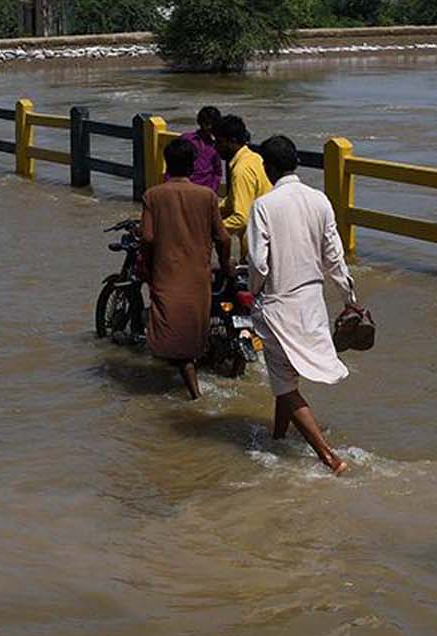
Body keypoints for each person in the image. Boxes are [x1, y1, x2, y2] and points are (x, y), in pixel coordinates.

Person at [247, 135, 359, 474]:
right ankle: (279, 437)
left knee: (283, 381)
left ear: (267, 168)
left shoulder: (264, 206)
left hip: (280, 305)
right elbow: (334, 258)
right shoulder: (319, 200)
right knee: (287, 379)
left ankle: (329, 457)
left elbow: (258, 263)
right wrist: (350, 300)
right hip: (313, 304)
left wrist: (254, 294)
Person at [142, 137, 230, 399]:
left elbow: (147, 238)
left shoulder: (153, 195)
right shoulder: (207, 196)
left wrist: (148, 267)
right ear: (192, 166)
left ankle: (194, 393)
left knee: (174, 334)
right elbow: (223, 238)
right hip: (199, 276)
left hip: (166, 274)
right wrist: (225, 265)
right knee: (193, 330)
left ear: (167, 165)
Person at [215, 114, 268, 259]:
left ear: (232, 141)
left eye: (219, 142)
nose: (216, 148)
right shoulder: (254, 158)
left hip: (255, 244)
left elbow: (241, 217)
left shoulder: (241, 170)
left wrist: (213, 230)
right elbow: (234, 200)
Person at [176, 106, 224, 193]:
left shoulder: (216, 145)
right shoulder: (186, 139)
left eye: (212, 124)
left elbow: (218, 172)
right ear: (200, 122)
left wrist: (212, 190)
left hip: (206, 190)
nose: (209, 127)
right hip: (185, 188)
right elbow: (173, 162)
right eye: (206, 123)